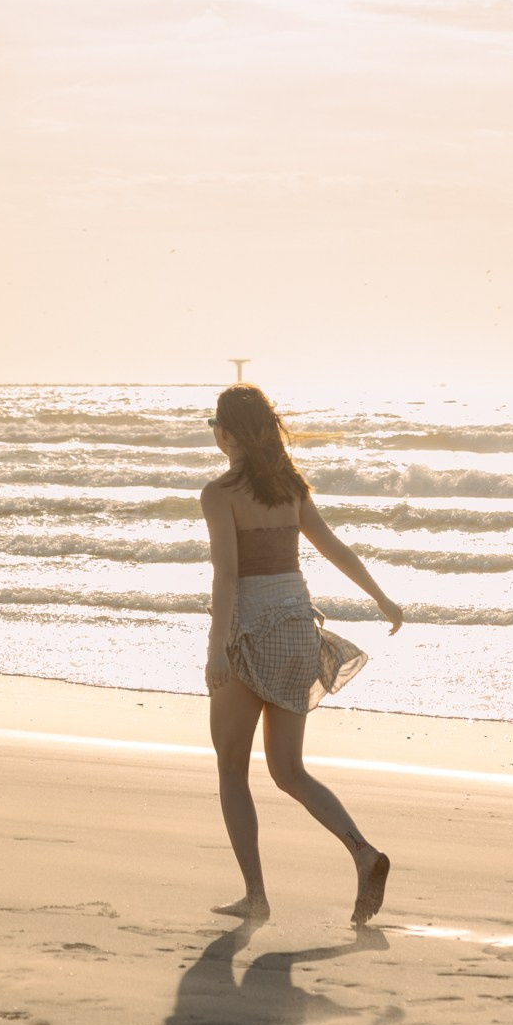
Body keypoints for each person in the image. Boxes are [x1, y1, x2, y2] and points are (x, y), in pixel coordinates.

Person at [201, 384, 403, 926]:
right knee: (290, 771)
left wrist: (218, 647)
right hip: (298, 634)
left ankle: (256, 896)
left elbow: (227, 575)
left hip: (251, 634)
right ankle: (363, 852)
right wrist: (380, 597)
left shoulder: (218, 493)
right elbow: (334, 547)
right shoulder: (289, 487)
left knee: (232, 769)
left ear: (225, 435)